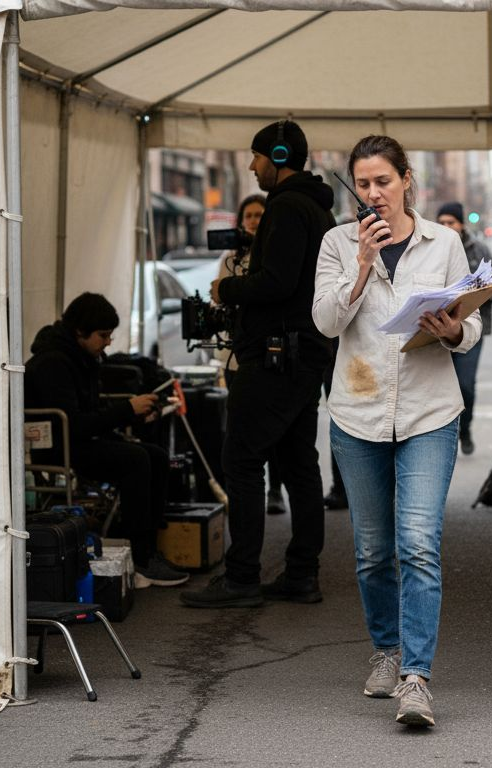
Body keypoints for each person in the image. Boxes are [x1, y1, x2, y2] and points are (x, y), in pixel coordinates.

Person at [313, 135, 481, 728]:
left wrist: (452, 329)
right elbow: (326, 321)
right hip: (357, 412)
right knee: (372, 551)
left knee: (418, 544)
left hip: (428, 412)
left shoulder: (444, 242)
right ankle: (384, 650)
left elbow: (473, 323)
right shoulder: (337, 242)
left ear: (407, 180)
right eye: (362, 184)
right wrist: (361, 264)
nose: (373, 193)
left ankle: (416, 677)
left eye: (383, 181)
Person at [180, 119, 335, 609]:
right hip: (301, 354)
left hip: (275, 356)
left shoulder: (288, 206)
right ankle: (301, 574)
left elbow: (278, 282)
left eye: (257, 157)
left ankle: (242, 576)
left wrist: (228, 288)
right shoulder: (314, 207)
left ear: (280, 156)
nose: (251, 166)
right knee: (296, 462)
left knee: (241, 460)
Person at [24, 292, 189, 588]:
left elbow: (90, 414)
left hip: (80, 439)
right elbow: (74, 424)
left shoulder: (82, 357)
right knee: (136, 460)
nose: (109, 342)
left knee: (156, 455)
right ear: (79, 331)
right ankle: (140, 556)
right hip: (61, 448)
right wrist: (126, 410)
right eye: (103, 335)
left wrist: (133, 413)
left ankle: (146, 550)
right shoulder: (53, 364)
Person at [214, 194, 289, 516]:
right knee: (242, 429)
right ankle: (248, 493)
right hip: (235, 355)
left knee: (271, 428)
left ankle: (274, 489)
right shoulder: (230, 259)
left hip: (268, 352)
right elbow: (219, 295)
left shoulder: (277, 258)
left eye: (260, 215)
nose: (254, 221)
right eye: (249, 216)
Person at [436, 201, 492, 456]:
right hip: (436, 330)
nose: (446, 227)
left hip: (470, 330)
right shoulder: (431, 248)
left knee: (465, 386)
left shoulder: (479, 249)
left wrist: (477, 295)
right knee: (438, 389)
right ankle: (443, 436)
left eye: (451, 222)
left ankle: (465, 429)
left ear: (461, 224)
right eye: (441, 222)